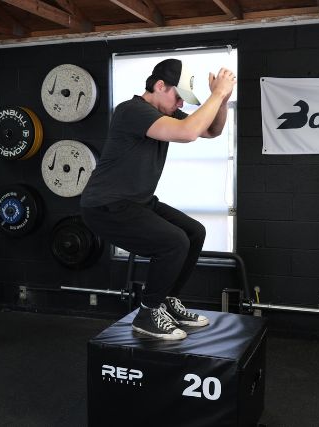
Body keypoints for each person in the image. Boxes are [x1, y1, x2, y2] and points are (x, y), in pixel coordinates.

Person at [80, 58, 236, 340]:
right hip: (105, 205)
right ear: (160, 85)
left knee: (194, 232)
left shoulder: (164, 114)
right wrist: (216, 94)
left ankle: (165, 302)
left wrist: (222, 100)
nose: (180, 105)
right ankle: (148, 313)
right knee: (173, 242)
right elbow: (188, 133)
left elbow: (212, 130)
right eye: (178, 97)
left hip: (137, 201)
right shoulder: (131, 110)